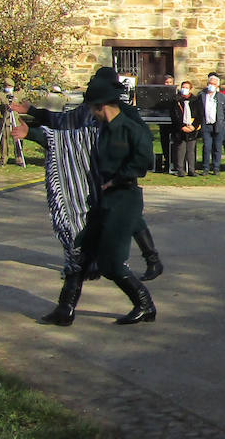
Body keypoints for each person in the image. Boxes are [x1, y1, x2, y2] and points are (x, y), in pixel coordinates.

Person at [61, 75, 157, 325]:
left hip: (125, 199)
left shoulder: (130, 128)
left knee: (111, 264)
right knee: (82, 253)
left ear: (101, 106)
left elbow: (145, 160)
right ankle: (65, 310)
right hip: (104, 199)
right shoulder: (105, 128)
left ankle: (145, 305)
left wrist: (117, 179)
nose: (92, 115)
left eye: (93, 109)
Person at [198, 73, 225, 175]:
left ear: (217, 86)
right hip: (206, 125)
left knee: (217, 147)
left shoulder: (222, 97)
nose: (211, 85)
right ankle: (206, 168)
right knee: (207, 147)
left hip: (219, 126)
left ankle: (216, 167)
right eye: (210, 83)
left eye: (213, 84)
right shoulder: (202, 96)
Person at [170, 81, 201, 177]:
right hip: (180, 129)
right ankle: (180, 170)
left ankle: (192, 170)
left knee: (191, 150)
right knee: (180, 150)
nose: (184, 89)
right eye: (183, 87)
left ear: (190, 89)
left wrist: (193, 126)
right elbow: (174, 116)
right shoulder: (176, 100)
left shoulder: (196, 100)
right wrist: (182, 126)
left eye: (186, 87)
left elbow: (200, 115)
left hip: (192, 129)